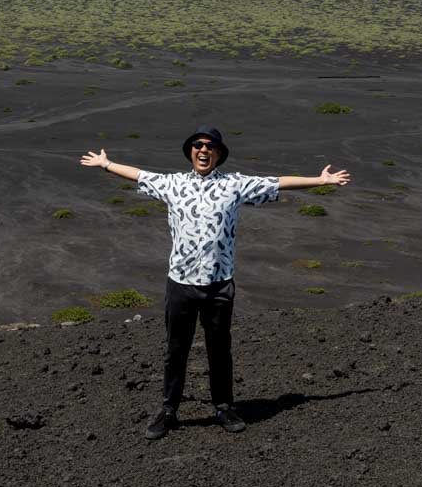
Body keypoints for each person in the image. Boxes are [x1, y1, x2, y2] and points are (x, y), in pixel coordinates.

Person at [79, 126, 350, 440]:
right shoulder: (173, 184)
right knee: (175, 350)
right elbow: (140, 175)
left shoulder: (234, 185)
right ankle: (168, 410)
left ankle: (223, 406)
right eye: (197, 145)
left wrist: (321, 180)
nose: (203, 150)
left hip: (219, 284)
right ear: (191, 151)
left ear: (218, 154)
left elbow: (276, 182)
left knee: (219, 350)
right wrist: (106, 164)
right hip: (180, 283)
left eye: (210, 146)